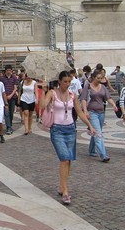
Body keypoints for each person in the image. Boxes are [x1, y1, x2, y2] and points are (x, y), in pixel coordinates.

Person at [40, 71, 97, 205]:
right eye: (64, 81)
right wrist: (43, 91)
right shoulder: (52, 93)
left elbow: (79, 112)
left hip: (71, 129)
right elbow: (42, 106)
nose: (67, 84)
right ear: (59, 81)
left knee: (69, 159)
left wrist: (90, 125)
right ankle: (65, 191)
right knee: (64, 158)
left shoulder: (73, 95)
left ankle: (62, 186)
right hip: (57, 130)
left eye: (69, 82)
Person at [81, 70, 118, 162]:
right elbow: (84, 99)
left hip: (101, 112)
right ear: (93, 78)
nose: (100, 80)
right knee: (98, 133)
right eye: (98, 78)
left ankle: (91, 150)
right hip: (92, 112)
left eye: (101, 78)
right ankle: (103, 155)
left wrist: (113, 105)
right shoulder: (88, 87)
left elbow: (108, 97)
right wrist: (85, 111)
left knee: (97, 131)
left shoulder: (103, 87)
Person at [0, 65, 19, 134]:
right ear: (5, 71)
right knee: (6, 113)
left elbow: (15, 88)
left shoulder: (14, 78)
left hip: (12, 97)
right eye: (7, 70)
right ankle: (8, 127)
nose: (9, 72)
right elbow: (1, 88)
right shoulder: (2, 79)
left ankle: (10, 125)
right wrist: (5, 96)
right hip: (4, 97)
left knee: (11, 112)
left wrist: (11, 95)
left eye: (10, 70)